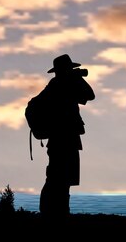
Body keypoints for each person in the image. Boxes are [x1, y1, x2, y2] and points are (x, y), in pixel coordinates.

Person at [38, 54, 95, 217]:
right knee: (57, 178)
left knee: (64, 178)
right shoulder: (57, 85)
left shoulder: (63, 84)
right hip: (61, 138)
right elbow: (89, 95)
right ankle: (51, 212)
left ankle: (60, 211)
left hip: (67, 138)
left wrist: (76, 78)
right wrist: (75, 78)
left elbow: (89, 95)